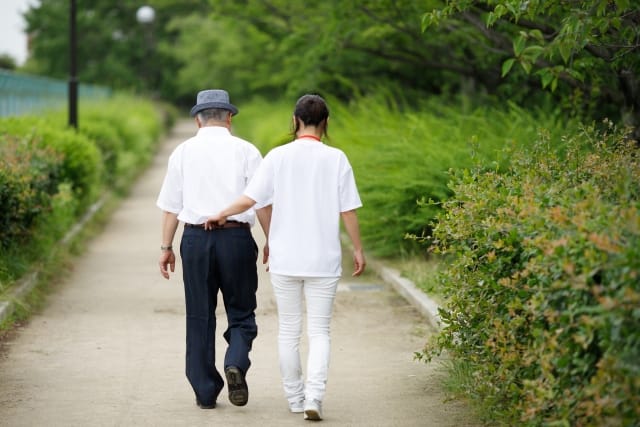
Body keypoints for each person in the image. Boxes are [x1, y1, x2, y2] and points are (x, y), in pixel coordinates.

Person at [205, 93, 366, 421]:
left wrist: (221, 213)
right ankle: (315, 397)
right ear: (326, 123)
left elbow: (251, 198)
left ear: (294, 122)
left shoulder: (277, 158)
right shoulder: (337, 158)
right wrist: (358, 249)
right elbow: (347, 209)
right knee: (320, 331)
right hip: (323, 259)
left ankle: (295, 398)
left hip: (285, 258)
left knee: (289, 329)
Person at [156, 89, 270, 410]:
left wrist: (166, 247)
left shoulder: (182, 152)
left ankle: (205, 392)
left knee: (199, 314)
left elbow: (170, 207)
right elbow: (261, 201)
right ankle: (235, 360)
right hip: (235, 238)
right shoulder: (246, 151)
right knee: (242, 311)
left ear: (197, 119)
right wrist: (270, 239)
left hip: (194, 240)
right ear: (229, 117)